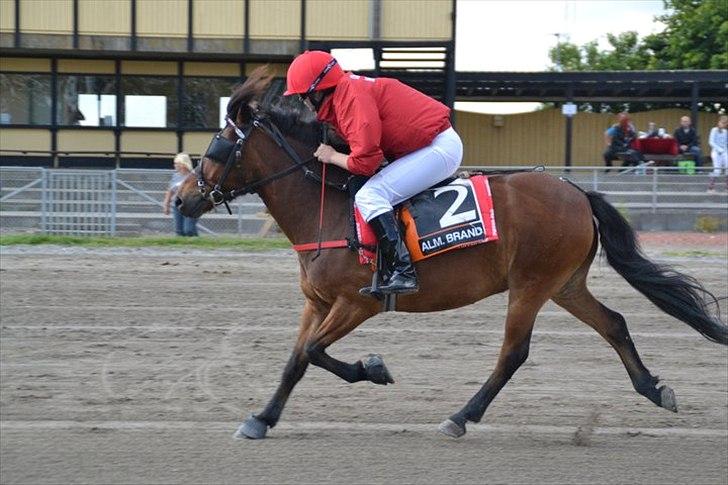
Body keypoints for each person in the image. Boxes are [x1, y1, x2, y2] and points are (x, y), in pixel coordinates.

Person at [283, 50, 463, 295]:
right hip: (426, 146)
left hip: (438, 148)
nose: (303, 102)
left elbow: (366, 162)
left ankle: (403, 270)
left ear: (317, 91)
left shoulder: (352, 98)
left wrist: (332, 156)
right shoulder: (346, 94)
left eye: (302, 96)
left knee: (370, 195)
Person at [163, 153, 199, 236]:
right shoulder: (175, 176)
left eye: (177, 163)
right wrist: (166, 204)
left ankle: (194, 243)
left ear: (183, 164)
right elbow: (170, 191)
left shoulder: (194, 176)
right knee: (179, 231)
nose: (175, 165)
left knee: (189, 230)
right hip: (178, 204)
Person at [707, 115, 727, 193]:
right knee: (717, 169)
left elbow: (726, 143)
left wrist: (724, 151)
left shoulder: (726, 131)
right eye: (723, 122)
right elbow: (711, 142)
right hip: (716, 152)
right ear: (719, 122)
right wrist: (719, 149)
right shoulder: (714, 130)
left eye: (725, 123)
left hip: (725, 152)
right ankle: (710, 187)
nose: (724, 124)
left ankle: (727, 188)